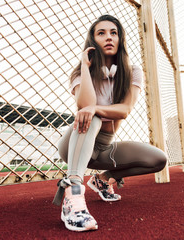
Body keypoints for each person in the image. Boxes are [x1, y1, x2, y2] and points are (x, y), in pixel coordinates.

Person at [53, 15, 167, 232]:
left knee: (158, 159)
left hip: (104, 148)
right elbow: (86, 106)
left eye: (113, 33)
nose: (108, 37)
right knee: (91, 114)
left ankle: (103, 180)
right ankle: (73, 194)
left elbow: (124, 110)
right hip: (76, 144)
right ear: (92, 41)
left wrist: (95, 108)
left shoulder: (132, 72)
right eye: (101, 33)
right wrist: (86, 68)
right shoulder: (79, 73)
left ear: (120, 38)